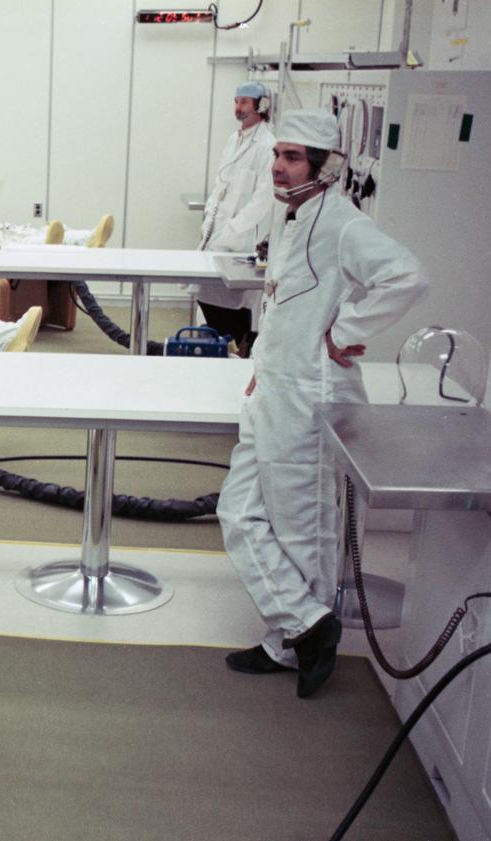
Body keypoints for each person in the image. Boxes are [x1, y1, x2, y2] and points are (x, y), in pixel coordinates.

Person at [216, 109, 427, 698]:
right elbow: (285, 303)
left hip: (309, 396)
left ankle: (291, 644)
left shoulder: (341, 223)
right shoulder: (293, 216)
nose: (279, 167)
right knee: (237, 511)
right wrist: (261, 367)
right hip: (275, 385)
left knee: (302, 530)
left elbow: (407, 275)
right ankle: (305, 624)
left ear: (325, 167)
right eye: (277, 155)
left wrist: (347, 326)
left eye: (292, 157)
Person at [190, 81, 277, 356]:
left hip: (241, 242)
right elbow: (221, 184)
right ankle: (226, 347)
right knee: (206, 297)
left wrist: (233, 228)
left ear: (261, 105)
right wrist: (210, 220)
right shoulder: (234, 139)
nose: (238, 108)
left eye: (245, 102)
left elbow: (263, 199)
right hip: (217, 235)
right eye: (236, 101)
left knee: (237, 305)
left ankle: (238, 349)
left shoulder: (267, 145)